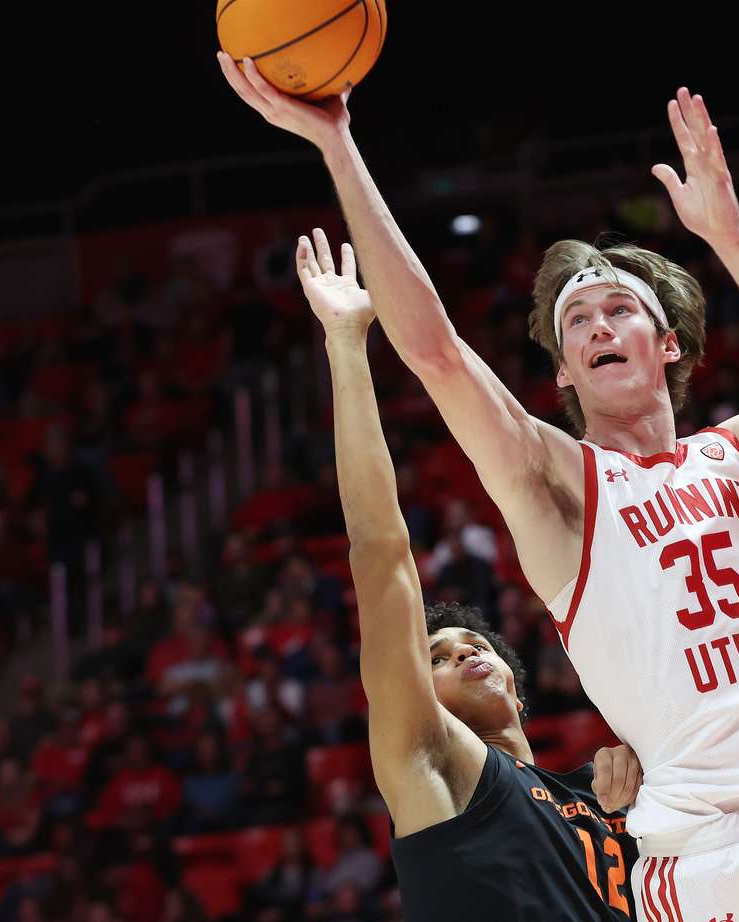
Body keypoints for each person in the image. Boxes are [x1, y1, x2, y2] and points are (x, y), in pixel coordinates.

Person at [219, 55, 739, 920]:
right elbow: (435, 353)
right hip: (720, 861)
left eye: (620, 309)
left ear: (668, 344)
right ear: (567, 372)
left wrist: (730, 237)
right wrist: (339, 146)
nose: (598, 325)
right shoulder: (562, 485)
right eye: (578, 321)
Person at [293, 232, 642, 920]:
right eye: (437, 659)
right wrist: (346, 342)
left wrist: (644, 775)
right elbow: (380, 551)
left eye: (473, 646)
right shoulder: (438, 767)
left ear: (516, 683)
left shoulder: (599, 793)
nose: (462, 654)